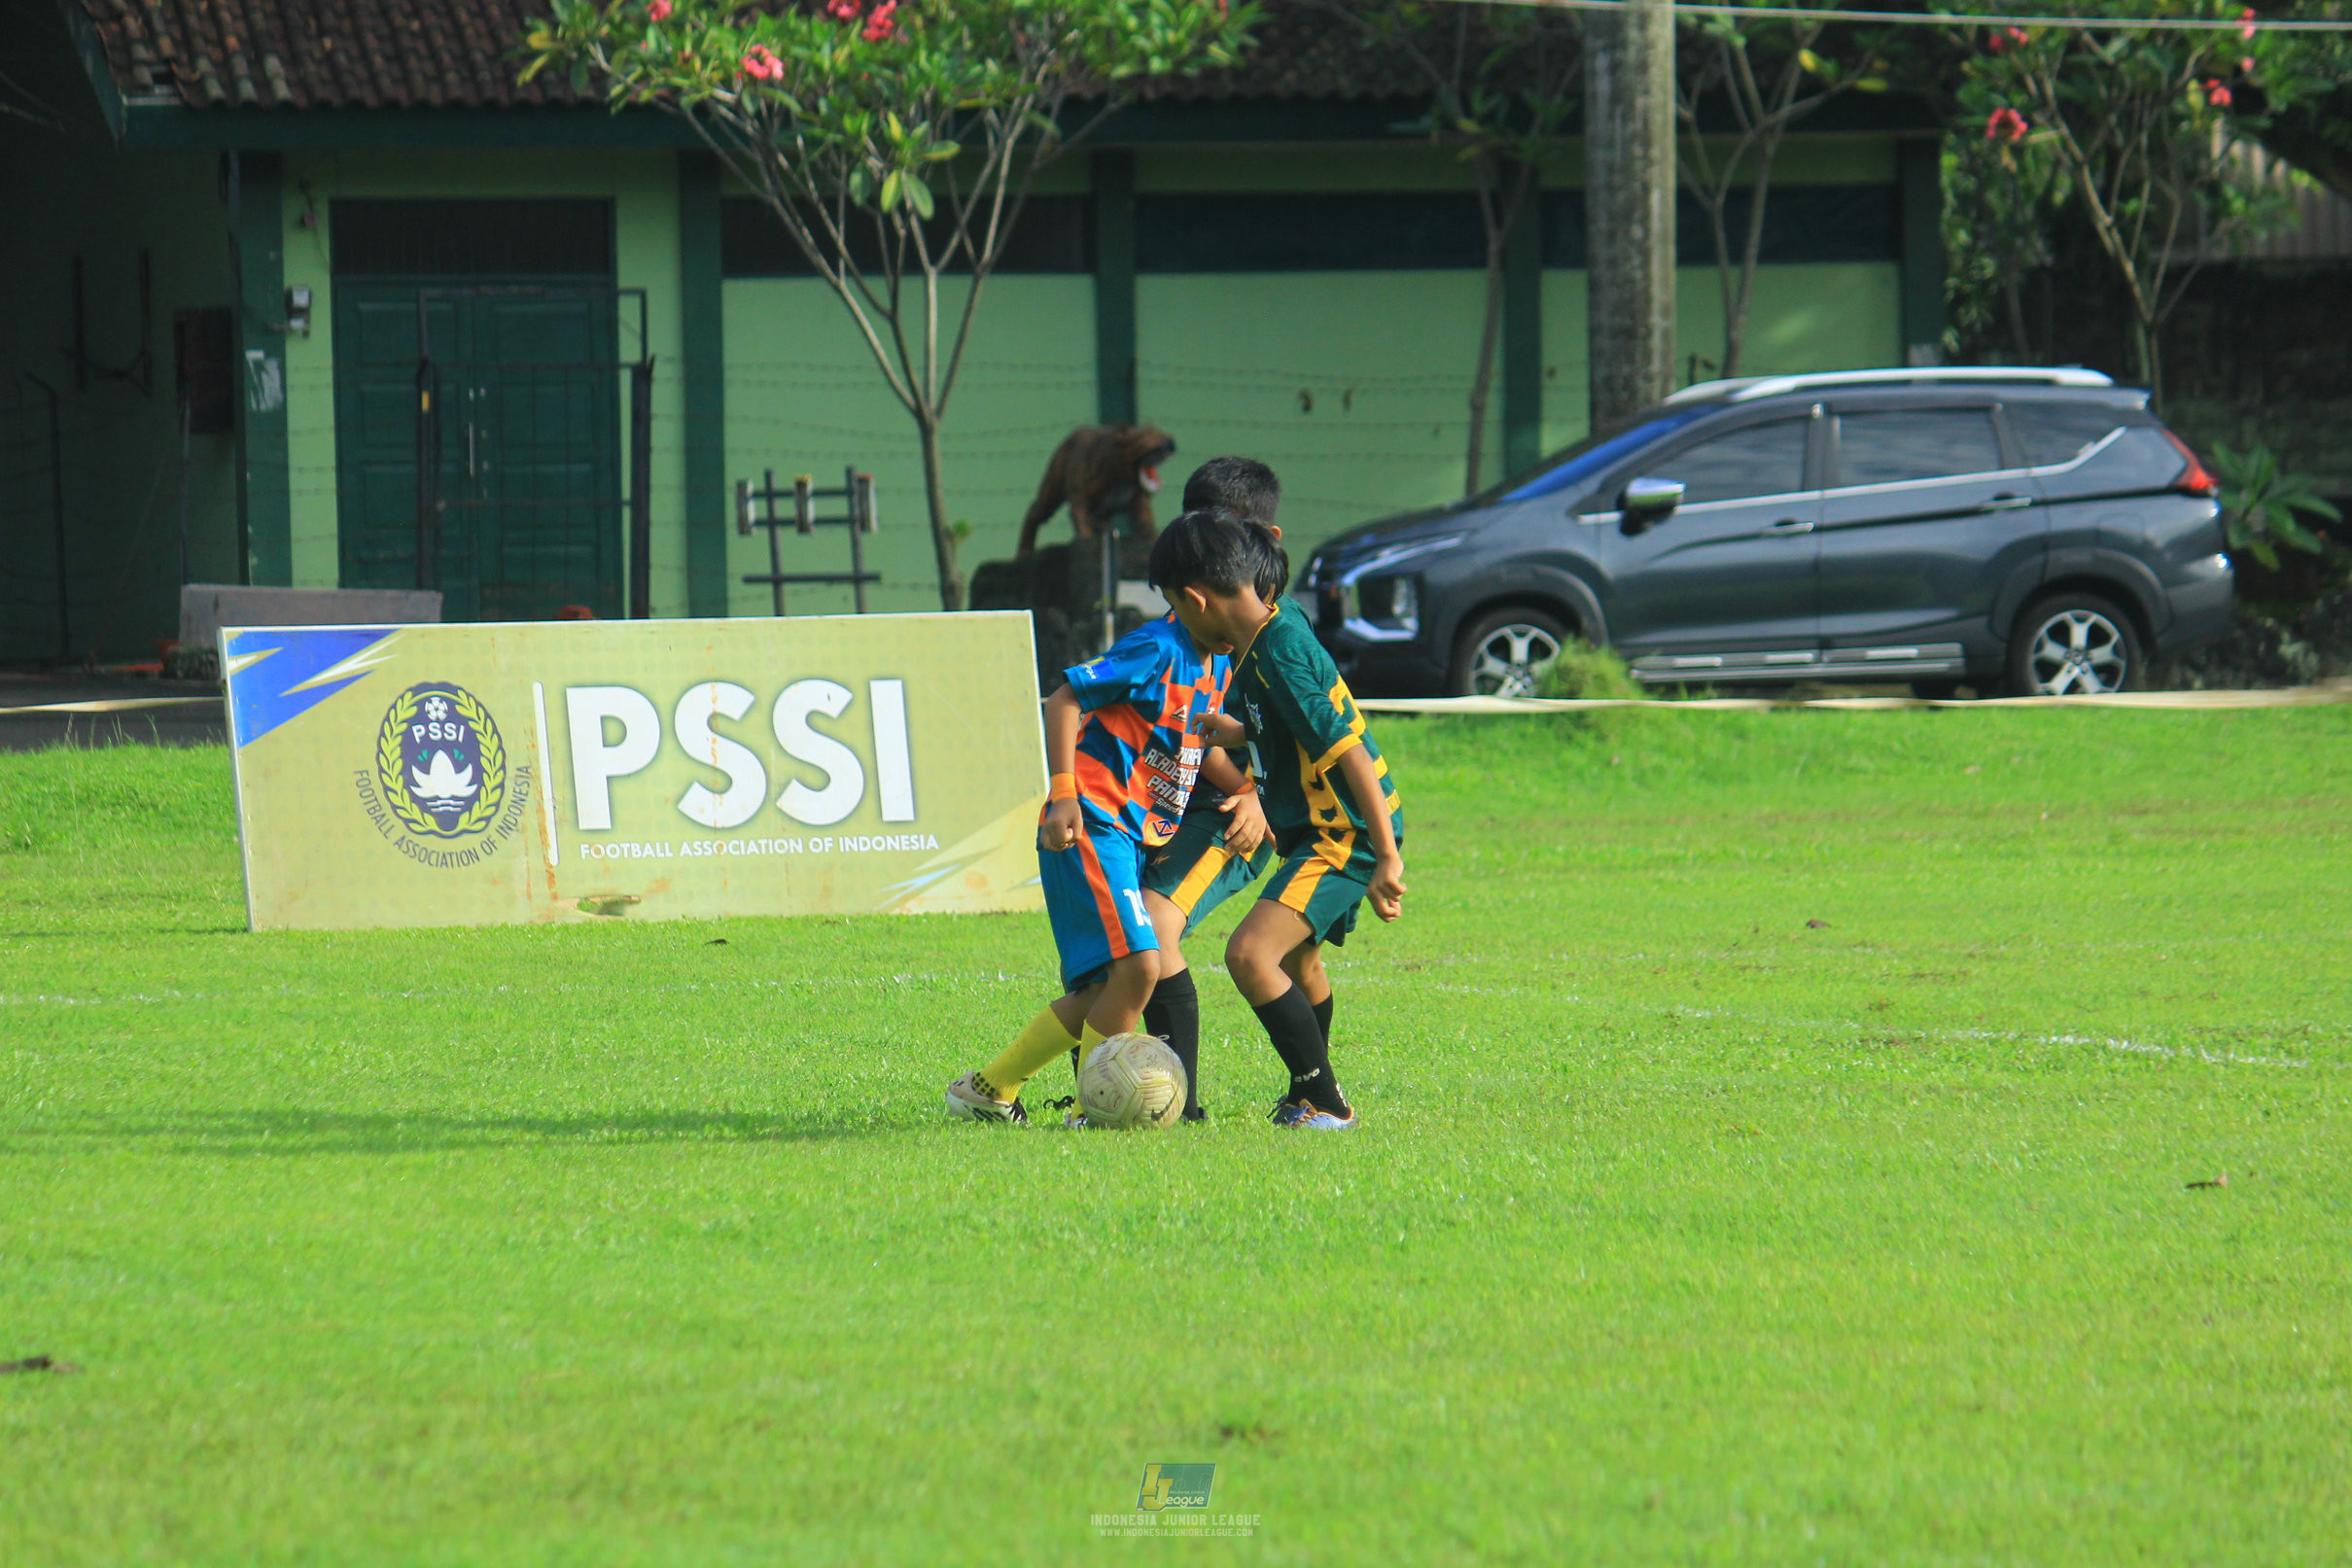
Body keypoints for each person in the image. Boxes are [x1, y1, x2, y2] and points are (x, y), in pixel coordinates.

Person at [942, 507, 1246, 1125]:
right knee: (1141, 967)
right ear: (1197, 599)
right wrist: (1062, 794)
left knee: (1103, 990)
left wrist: (1247, 790)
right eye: (1243, 597)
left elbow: (1197, 743)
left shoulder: (1214, 660)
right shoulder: (1155, 647)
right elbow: (1065, 697)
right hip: (1092, 825)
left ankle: (991, 1087)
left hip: (1129, 839)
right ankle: (1096, 1109)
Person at [1149, 509, 1405, 1131]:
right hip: (1325, 830)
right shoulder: (1272, 625)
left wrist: (1384, 855)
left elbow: (1344, 747)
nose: (1177, 623)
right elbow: (1283, 721)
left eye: (1174, 609)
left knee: (1250, 954)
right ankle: (1305, 1093)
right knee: (1298, 963)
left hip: (1343, 834)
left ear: (1194, 598)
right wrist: (1235, 729)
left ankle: (1328, 1104)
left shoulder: (1278, 656)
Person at [1128, 458, 1288, 1120]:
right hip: (1169, 804)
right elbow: (1180, 728)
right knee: (1118, 938)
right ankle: (1106, 1084)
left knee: (1153, 928)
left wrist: (1256, 793)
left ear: (1265, 542)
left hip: (1234, 813)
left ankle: (1176, 1102)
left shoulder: (1278, 636)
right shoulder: (1176, 628)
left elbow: (1310, 741)